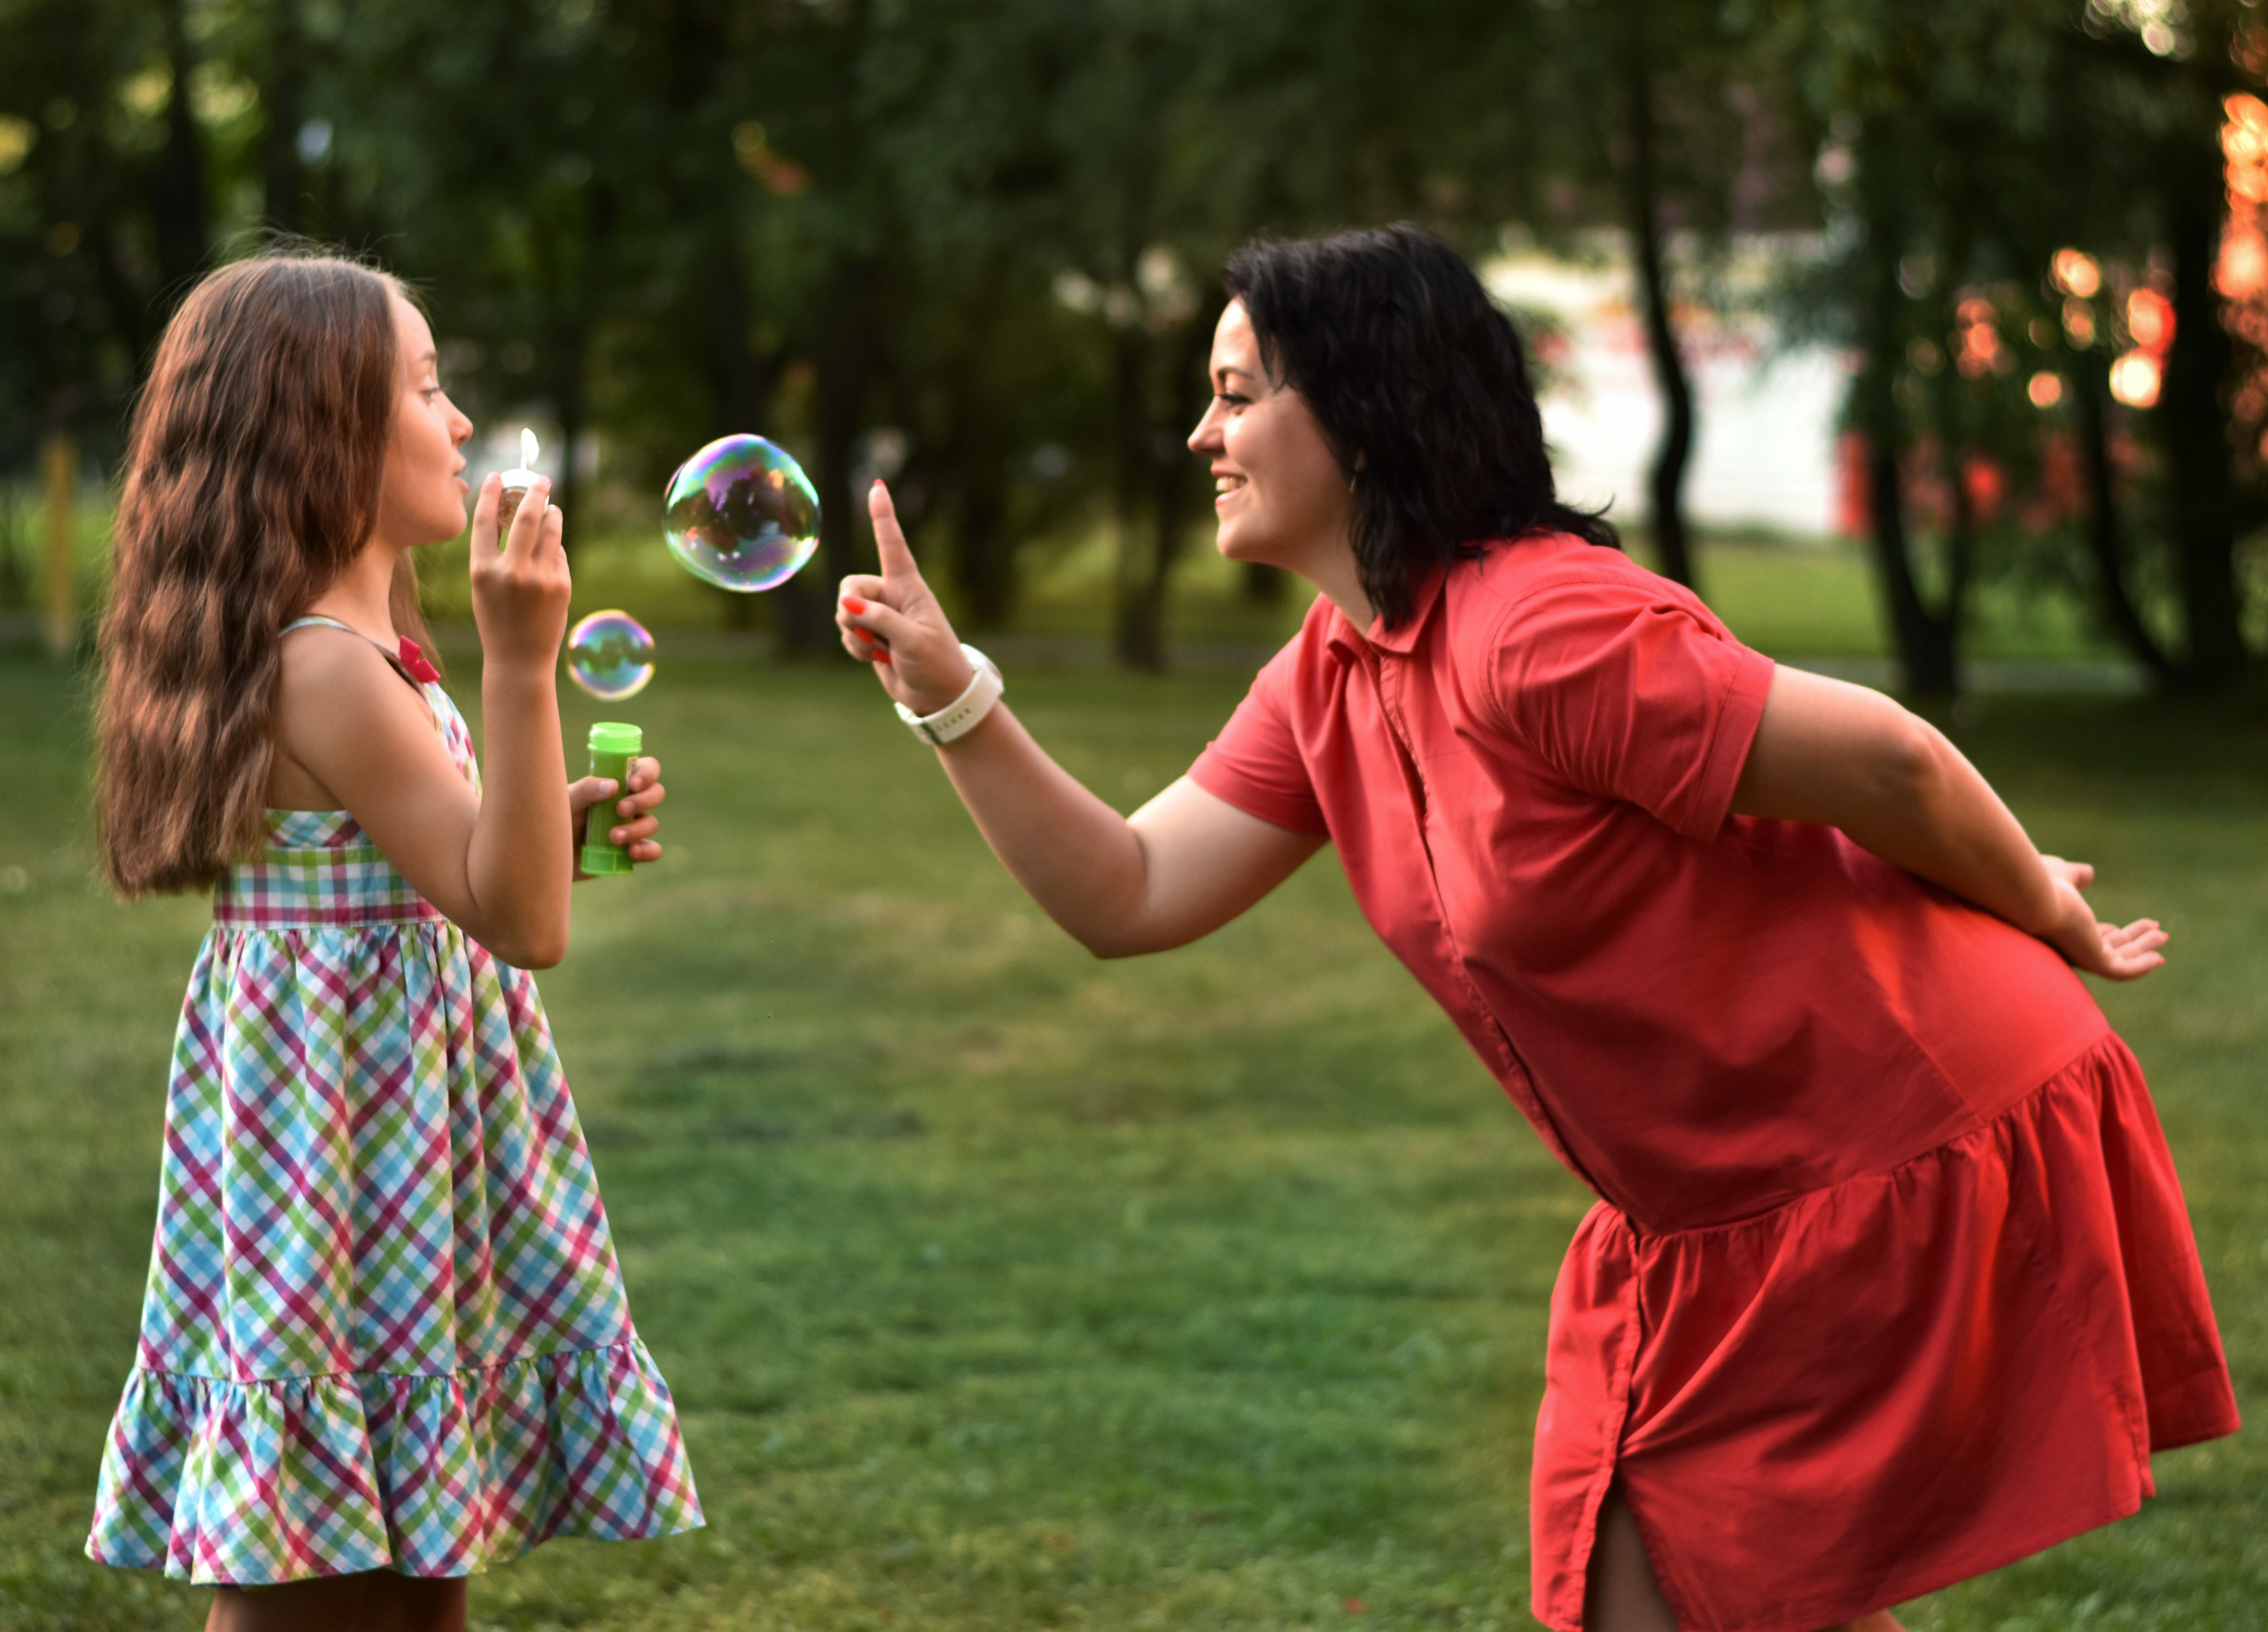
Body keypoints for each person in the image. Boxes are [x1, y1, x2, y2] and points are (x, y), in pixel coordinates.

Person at [833, 225, 2238, 1632]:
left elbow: (1893, 766)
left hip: (1897, 1142)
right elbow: (1129, 891)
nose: (1203, 432)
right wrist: (950, 695)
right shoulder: (1331, 670)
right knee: (1668, 1582)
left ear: (1371, 415)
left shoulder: (1537, 628)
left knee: (1677, 1582)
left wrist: (2053, 910)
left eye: (1240, 391)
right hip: (1722, 1205)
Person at [86, 252, 703, 1632]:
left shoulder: (366, 649)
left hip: (393, 1139)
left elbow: (471, 864)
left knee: (419, 1557)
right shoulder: (324, 664)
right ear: (325, 433)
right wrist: (527, 661)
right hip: (351, 1151)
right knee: (303, 1565)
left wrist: (557, 803)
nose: (462, 421)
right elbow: (523, 917)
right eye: (425, 387)